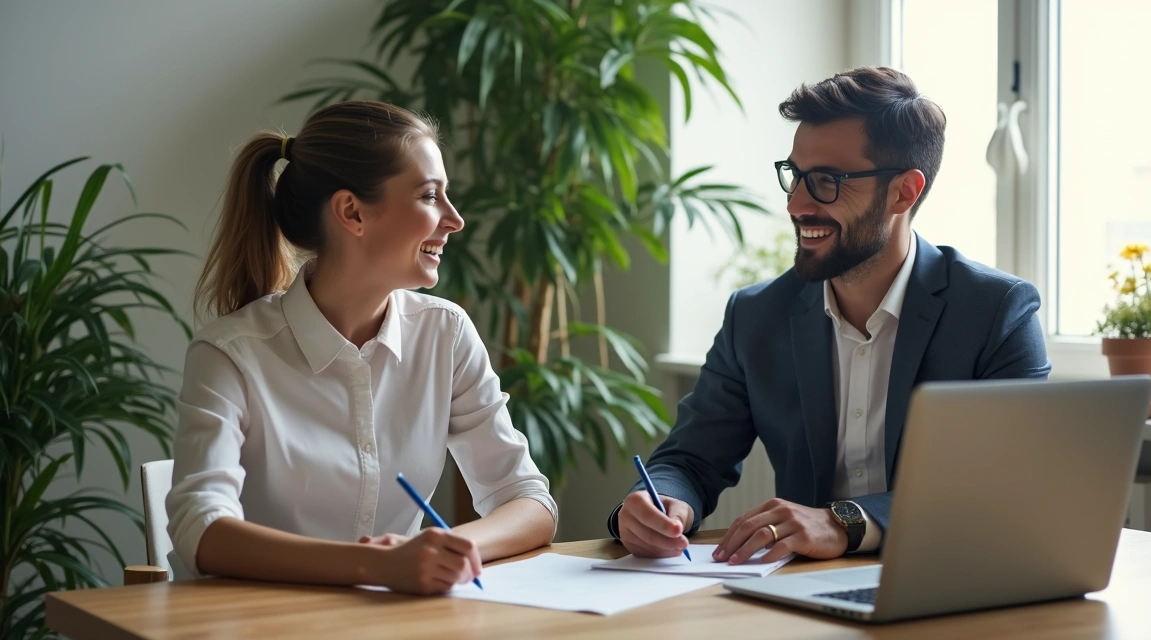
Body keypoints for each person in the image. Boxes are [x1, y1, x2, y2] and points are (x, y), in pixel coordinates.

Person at [610, 67, 1050, 564]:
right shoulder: (755, 316)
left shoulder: (997, 313)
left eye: (826, 181)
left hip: (952, 577)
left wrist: (845, 521)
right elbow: (690, 460)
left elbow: (1006, 487)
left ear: (904, 192)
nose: (797, 203)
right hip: (799, 593)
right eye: (795, 175)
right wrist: (660, 500)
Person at [166, 101, 557, 595]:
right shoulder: (229, 354)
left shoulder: (445, 333)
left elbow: (527, 499)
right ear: (352, 212)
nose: (455, 220)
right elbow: (200, 531)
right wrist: (376, 567)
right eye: (430, 196)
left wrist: (450, 553)